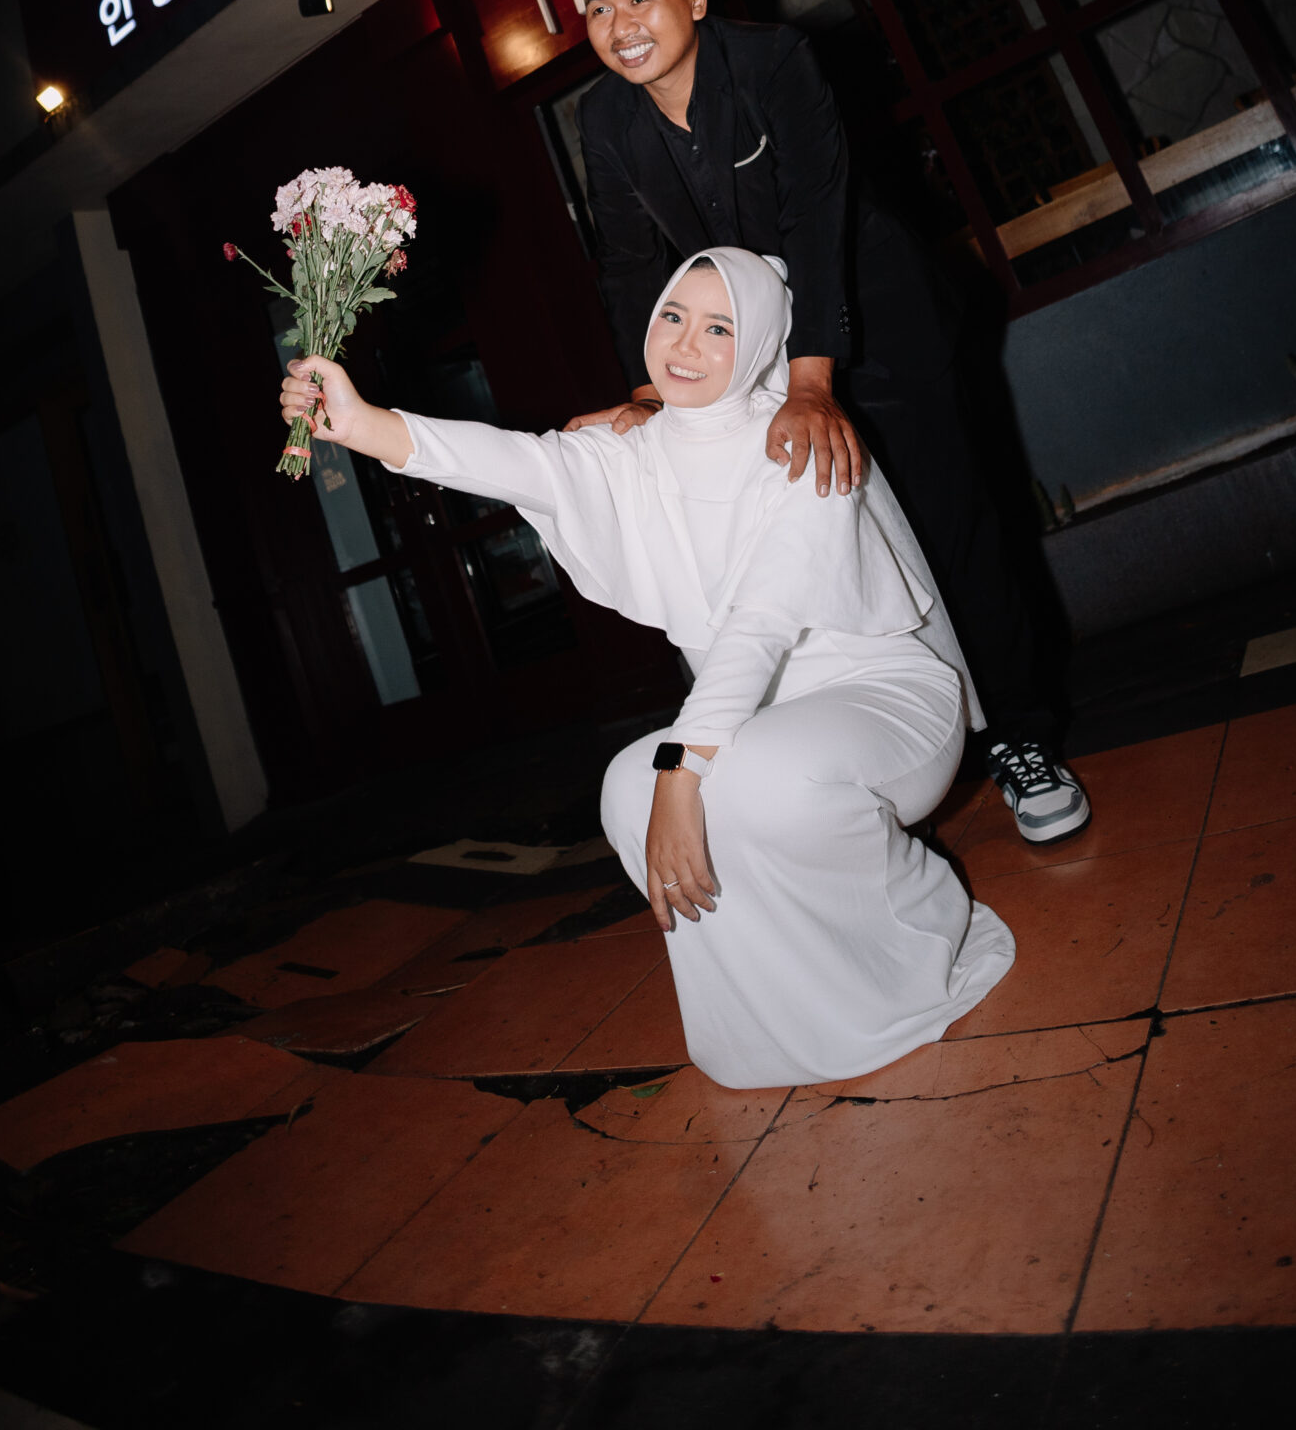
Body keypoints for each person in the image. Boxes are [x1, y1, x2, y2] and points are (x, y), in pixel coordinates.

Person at [278, 248, 1015, 1089]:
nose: (685, 344)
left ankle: (917, 925)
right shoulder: (631, 451)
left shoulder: (803, 441)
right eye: (672, 316)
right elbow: (513, 459)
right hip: (755, 723)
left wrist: (683, 770)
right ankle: (782, 1013)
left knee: (746, 780)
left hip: (886, 699)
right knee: (629, 788)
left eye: (719, 328)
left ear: (762, 340)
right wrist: (359, 422)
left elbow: (758, 625)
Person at [564, 0, 1089, 846]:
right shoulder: (603, 117)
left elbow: (816, 216)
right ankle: (870, 761)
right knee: (815, 556)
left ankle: (1020, 738)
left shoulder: (774, 62)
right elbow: (632, 265)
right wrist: (649, 391)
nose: (619, 24)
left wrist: (813, 384)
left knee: (949, 529)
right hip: (756, 358)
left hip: (878, 326)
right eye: (598, 8)